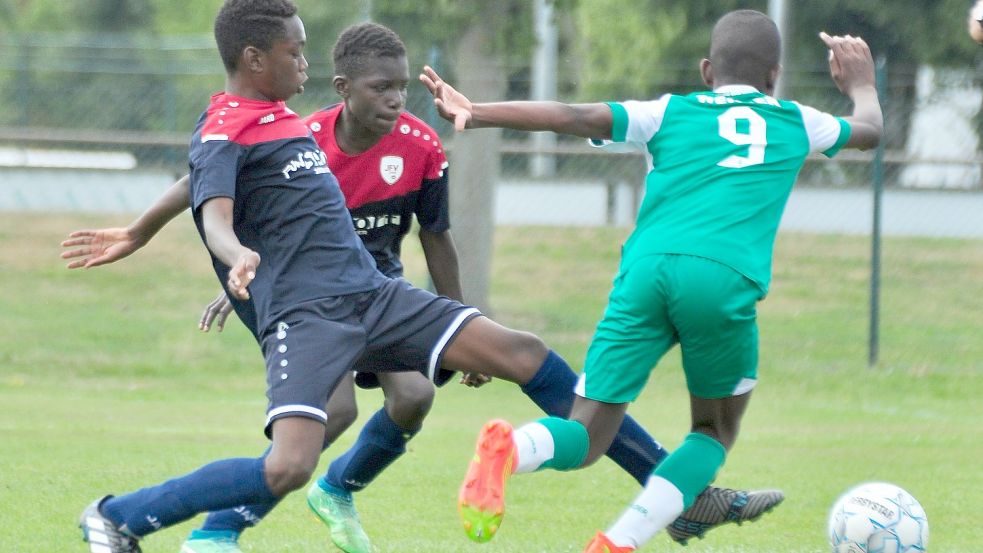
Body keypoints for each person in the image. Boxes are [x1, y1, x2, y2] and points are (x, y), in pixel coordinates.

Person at [67, 5, 781, 553]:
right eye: (296, 51)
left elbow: (196, 180)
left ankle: (677, 497)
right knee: (289, 464)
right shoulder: (227, 123)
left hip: (374, 295)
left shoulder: (276, 118)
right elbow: (211, 198)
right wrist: (230, 253)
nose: (306, 61)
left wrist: (137, 229)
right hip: (307, 314)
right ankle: (118, 517)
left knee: (522, 353)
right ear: (255, 57)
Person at [420, 9, 883, 553]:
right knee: (712, 432)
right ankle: (618, 541)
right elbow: (870, 132)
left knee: (586, 434)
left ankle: (510, 451)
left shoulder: (669, 112)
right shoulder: (796, 121)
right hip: (721, 279)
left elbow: (572, 115)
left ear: (708, 70)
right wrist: (863, 84)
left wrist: (476, 111)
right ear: (774, 75)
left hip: (645, 272)